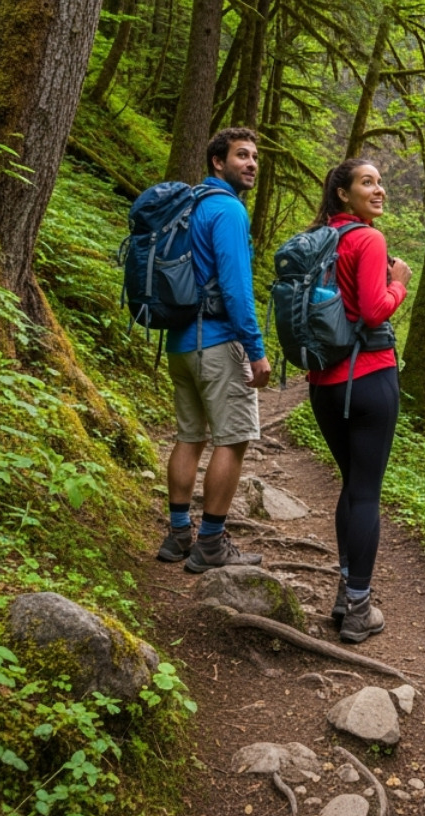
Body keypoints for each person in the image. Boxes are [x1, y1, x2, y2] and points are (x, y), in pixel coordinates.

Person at [156, 127, 272, 572]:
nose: (251, 163)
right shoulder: (227, 210)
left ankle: (178, 534)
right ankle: (210, 544)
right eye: (242, 155)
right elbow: (237, 288)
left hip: (181, 344)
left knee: (190, 435)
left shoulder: (188, 205)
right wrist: (255, 349)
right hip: (218, 343)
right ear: (217, 162)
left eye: (255, 157)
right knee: (234, 437)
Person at [306, 159, 410, 643]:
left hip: (324, 384)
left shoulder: (321, 239)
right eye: (367, 182)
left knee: (352, 485)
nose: (379, 189)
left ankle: (345, 592)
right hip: (369, 379)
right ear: (343, 193)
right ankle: (359, 609)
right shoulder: (368, 239)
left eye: (380, 181)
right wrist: (399, 283)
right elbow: (373, 311)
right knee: (366, 492)